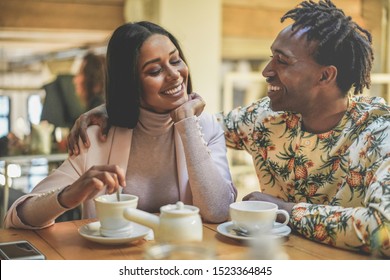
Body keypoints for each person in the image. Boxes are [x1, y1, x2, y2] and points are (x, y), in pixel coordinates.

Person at [64, 1, 390, 257]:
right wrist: (115, 106)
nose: (266, 71)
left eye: (283, 61)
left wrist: (285, 210)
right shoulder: (263, 119)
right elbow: (184, 123)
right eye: (270, 58)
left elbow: (384, 228)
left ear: (325, 76)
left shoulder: (379, 131)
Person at [4, 21, 237, 230]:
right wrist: (69, 195)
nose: (174, 75)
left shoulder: (205, 128)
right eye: (155, 70)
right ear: (130, 83)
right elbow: (18, 216)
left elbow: (218, 211)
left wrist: (187, 122)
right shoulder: (97, 137)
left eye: (175, 60)